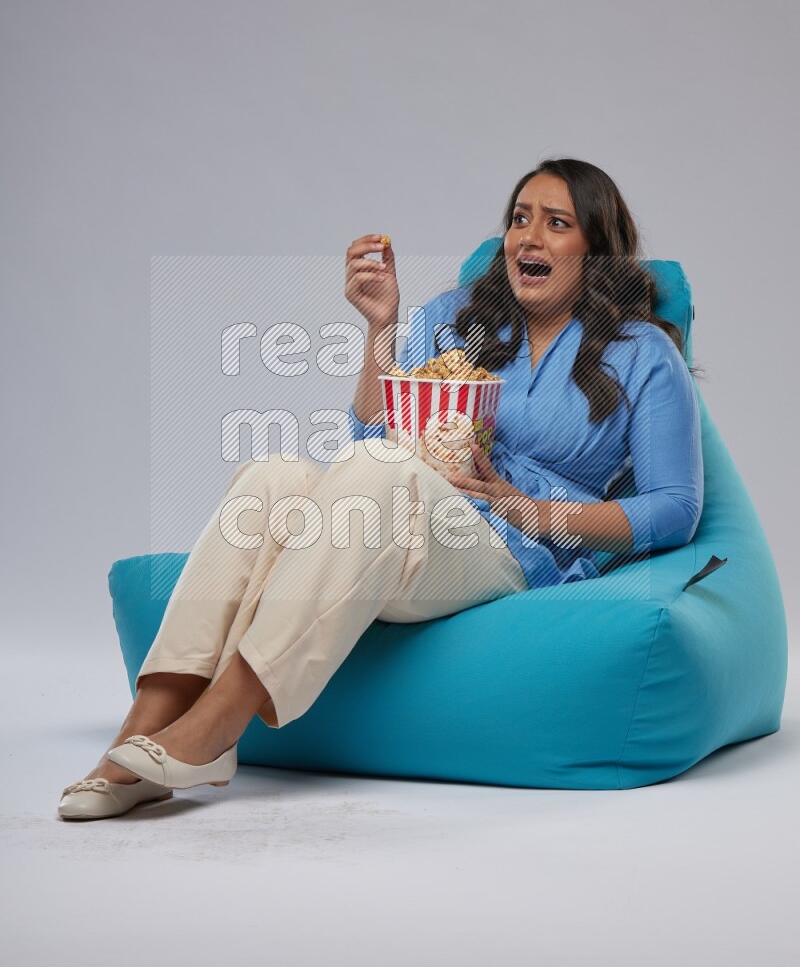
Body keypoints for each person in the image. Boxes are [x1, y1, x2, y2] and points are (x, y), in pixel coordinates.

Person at [58, 157, 704, 820]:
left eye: (556, 223)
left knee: (382, 470)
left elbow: (674, 509)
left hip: (514, 552)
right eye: (519, 219)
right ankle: (141, 732)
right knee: (271, 478)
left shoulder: (642, 352)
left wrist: (534, 511)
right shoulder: (457, 318)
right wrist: (381, 327)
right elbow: (371, 434)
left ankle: (219, 724)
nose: (527, 238)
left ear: (595, 248)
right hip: (399, 521)